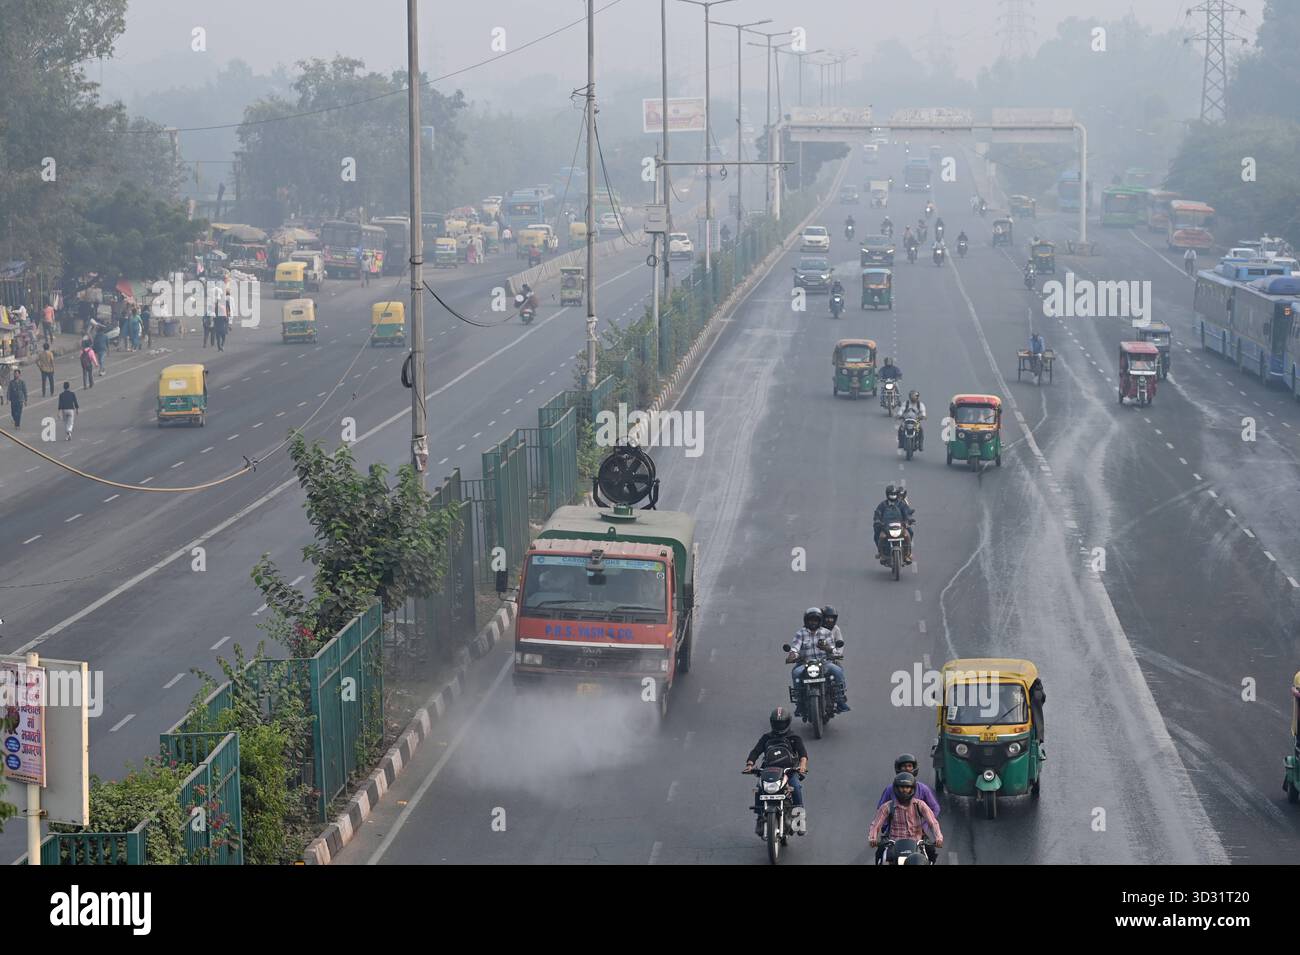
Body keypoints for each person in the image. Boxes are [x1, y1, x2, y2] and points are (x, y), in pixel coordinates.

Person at [743, 707, 808, 834]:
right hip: (769, 770)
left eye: (782, 723)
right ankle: (760, 818)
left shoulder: (794, 737)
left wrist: (802, 766)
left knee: (796, 787)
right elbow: (755, 751)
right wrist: (750, 764)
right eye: (777, 723)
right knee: (759, 788)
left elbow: (803, 754)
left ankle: (799, 820)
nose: (780, 726)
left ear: (788, 722)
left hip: (789, 771)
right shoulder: (766, 738)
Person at [869, 772, 943, 863]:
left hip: (917, 844)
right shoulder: (887, 807)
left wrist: (938, 837)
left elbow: (933, 823)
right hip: (894, 845)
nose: (904, 790)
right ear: (896, 788)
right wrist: (873, 838)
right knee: (880, 855)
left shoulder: (920, 805)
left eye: (907, 787)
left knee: (931, 854)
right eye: (902, 787)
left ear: (912, 789)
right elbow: (876, 825)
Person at [786, 607, 849, 713]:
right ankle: (800, 704)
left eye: (816, 620)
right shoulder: (800, 633)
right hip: (805, 663)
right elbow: (795, 648)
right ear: (806, 621)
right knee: (796, 673)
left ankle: (840, 701)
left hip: (824, 662)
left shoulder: (826, 633)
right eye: (811, 620)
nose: (813, 622)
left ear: (820, 621)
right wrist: (792, 655)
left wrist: (828, 649)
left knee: (838, 671)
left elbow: (833, 648)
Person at [873, 484, 915, 563]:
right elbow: (877, 514)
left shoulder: (901, 504)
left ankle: (908, 554)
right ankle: (881, 554)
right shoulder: (882, 505)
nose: (893, 496)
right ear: (887, 494)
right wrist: (877, 521)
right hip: (886, 527)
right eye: (891, 494)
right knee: (879, 536)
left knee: (909, 534)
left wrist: (908, 520)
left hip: (901, 526)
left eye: (894, 494)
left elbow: (907, 512)